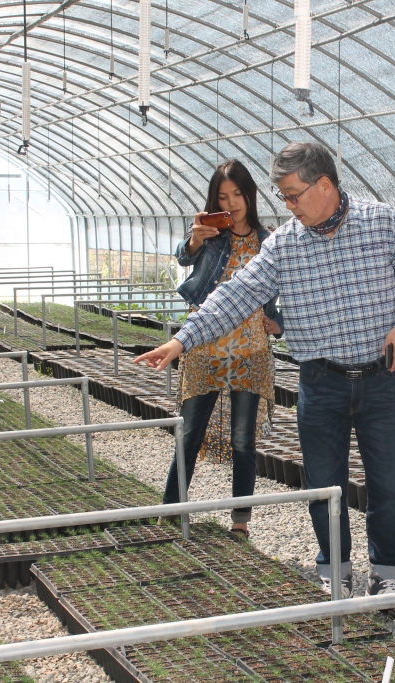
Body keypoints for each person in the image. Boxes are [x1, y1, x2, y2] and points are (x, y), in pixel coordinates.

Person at [135, 141, 395, 619]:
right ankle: (335, 573)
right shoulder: (284, 244)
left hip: (382, 380)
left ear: (325, 185)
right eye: (283, 196)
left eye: (293, 194)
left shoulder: (383, 222)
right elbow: (236, 294)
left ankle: (388, 577)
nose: (288, 205)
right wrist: (181, 341)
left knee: (387, 484)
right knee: (324, 485)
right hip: (321, 382)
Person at [162, 159, 284, 538]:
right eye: (223, 197)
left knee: (243, 441)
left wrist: (278, 322)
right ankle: (171, 511)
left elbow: (286, 292)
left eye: (237, 195)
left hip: (251, 352)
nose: (231, 204)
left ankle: (240, 521)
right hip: (205, 349)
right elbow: (184, 256)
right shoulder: (211, 236)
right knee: (189, 435)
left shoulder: (269, 241)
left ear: (250, 195)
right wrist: (195, 240)